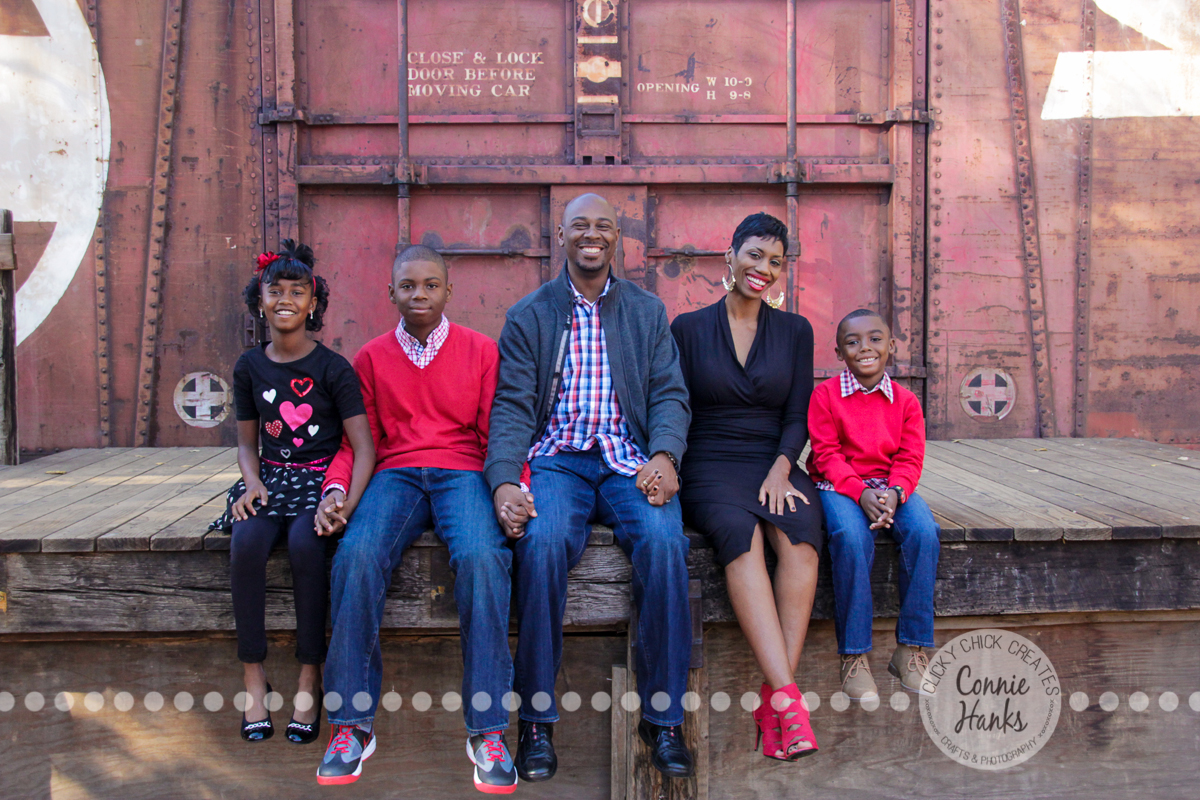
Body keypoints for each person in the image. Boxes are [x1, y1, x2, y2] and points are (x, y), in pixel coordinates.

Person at [485, 193, 695, 781]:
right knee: (542, 544)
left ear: (617, 238)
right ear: (561, 235)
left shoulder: (646, 312)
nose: (592, 235)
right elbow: (511, 407)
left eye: (604, 226)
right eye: (580, 225)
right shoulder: (529, 315)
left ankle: (663, 718)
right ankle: (536, 722)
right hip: (558, 461)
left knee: (665, 543)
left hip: (629, 460)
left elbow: (670, 395)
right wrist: (504, 480)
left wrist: (665, 455)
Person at [315, 245, 518, 793]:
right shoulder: (371, 358)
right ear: (391, 293)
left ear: (449, 290)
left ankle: (488, 731)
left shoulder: (481, 351)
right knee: (356, 555)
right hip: (395, 473)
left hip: (462, 470)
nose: (419, 295)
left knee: (482, 557)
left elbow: (499, 430)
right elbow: (357, 442)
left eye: (431, 285)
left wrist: (513, 485)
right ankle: (351, 726)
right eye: (407, 286)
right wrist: (336, 491)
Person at [670, 212, 822, 761]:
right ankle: (788, 703)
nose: (764, 268)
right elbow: (674, 405)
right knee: (742, 535)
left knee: (802, 537)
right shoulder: (688, 328)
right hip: (709, 460)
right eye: (755, 255)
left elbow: (798, 413)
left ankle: (776, 698)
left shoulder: (796, 331)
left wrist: (783, 466)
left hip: (771, 457)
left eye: (776, 261)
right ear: (729, 257)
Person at [211, 240, 374, 744]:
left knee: (307, 545)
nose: (285, 298)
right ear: (258, 300)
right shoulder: (248, 366)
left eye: (297, 291)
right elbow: (247, 444)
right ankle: (253, 675)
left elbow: (364, 448)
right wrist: (252, 483)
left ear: (312, 303)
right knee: (246, 543)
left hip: (319, 482)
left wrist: (344, 503)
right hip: (270, 479)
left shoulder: (333, 368)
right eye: (274, 290)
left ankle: (309, 673)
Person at [806, 309, 940, 702]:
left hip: (890, 487)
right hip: (839, 485)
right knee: (850, 537)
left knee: (924, 532)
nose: (865, 348)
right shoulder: (825, 396)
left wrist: (895, 492)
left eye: (875, 339)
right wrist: (858, 491)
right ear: (839, 353)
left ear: (891, 346)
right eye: (853, 342)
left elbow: (910, 457)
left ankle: (910, 648)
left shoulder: (906, 401)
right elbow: (826, 454)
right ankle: (854, 655)